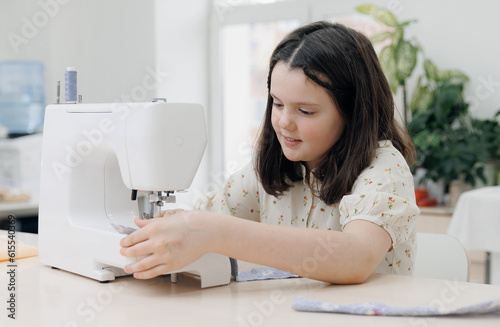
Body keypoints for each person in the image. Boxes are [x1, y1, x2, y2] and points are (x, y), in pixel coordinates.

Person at [120, 21, 420, 284]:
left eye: (305, 111)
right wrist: (175, 227)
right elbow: (208, 216)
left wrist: (213, 231)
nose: (284, 122)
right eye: (277, 104)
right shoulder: (271, 170)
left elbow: (357, 257)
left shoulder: (383, 170)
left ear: (353, 112)